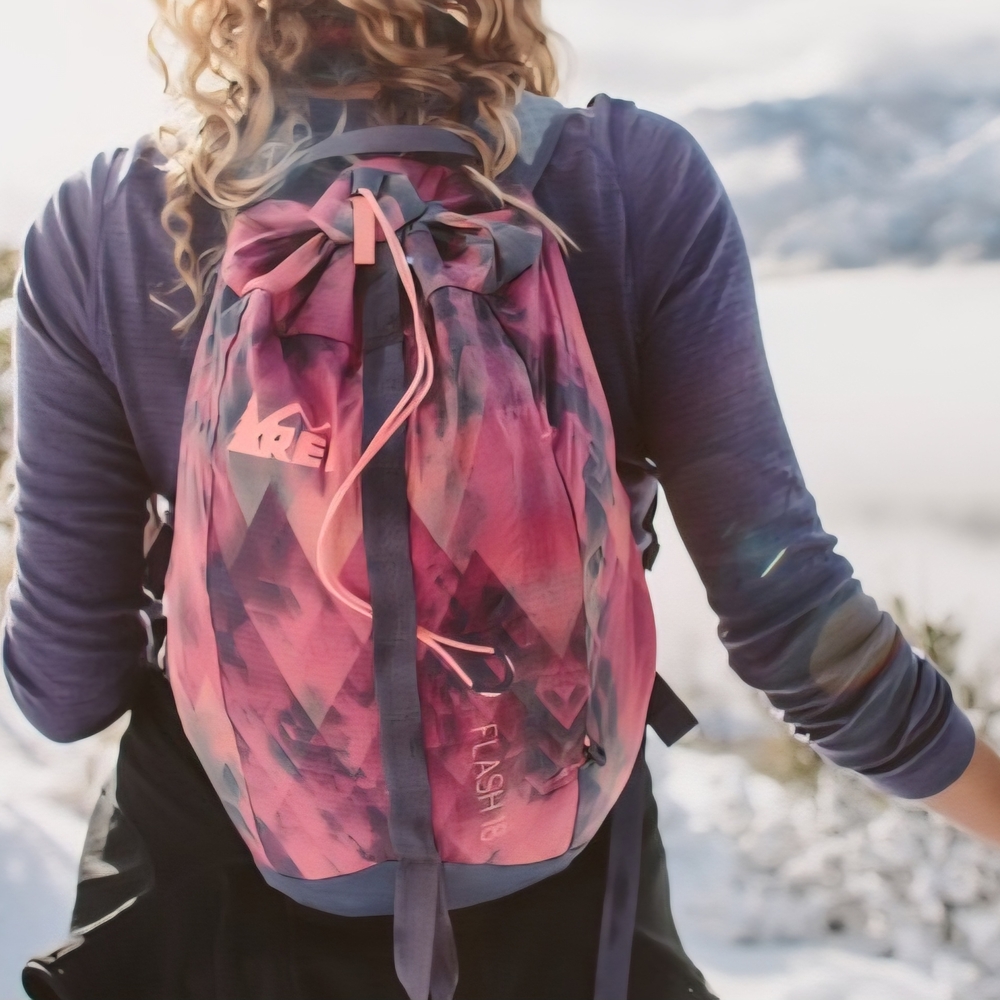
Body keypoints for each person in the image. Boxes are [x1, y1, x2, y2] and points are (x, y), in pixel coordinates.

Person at [5, 2, 1000, 998]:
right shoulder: (624, 182)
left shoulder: (105, 224)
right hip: (558, 896)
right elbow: (793, 617)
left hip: (206, 913)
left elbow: (65, 686)